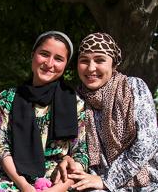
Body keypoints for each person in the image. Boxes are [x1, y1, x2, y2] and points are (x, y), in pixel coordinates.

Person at [56, 32, 158, 191]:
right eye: (84, 61)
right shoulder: (75, 99)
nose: (91, 68)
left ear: (114, 64)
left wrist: (108, 180)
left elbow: (147, 141)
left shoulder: (133, 87)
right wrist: (68, 159)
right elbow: (74, 146)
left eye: (99, 60)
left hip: (145, 181)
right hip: (92, 179)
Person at [0, 31, 88, 192]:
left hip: (61, 179)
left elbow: (81, 154)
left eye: (58, 59)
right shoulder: (8, 98)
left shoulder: (75, 102)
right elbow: (0, 147)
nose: (49, 63)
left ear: (65, 64)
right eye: (44, 54)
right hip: (16, 177)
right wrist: (25, 186)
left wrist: (56, 189)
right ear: (32, 55)